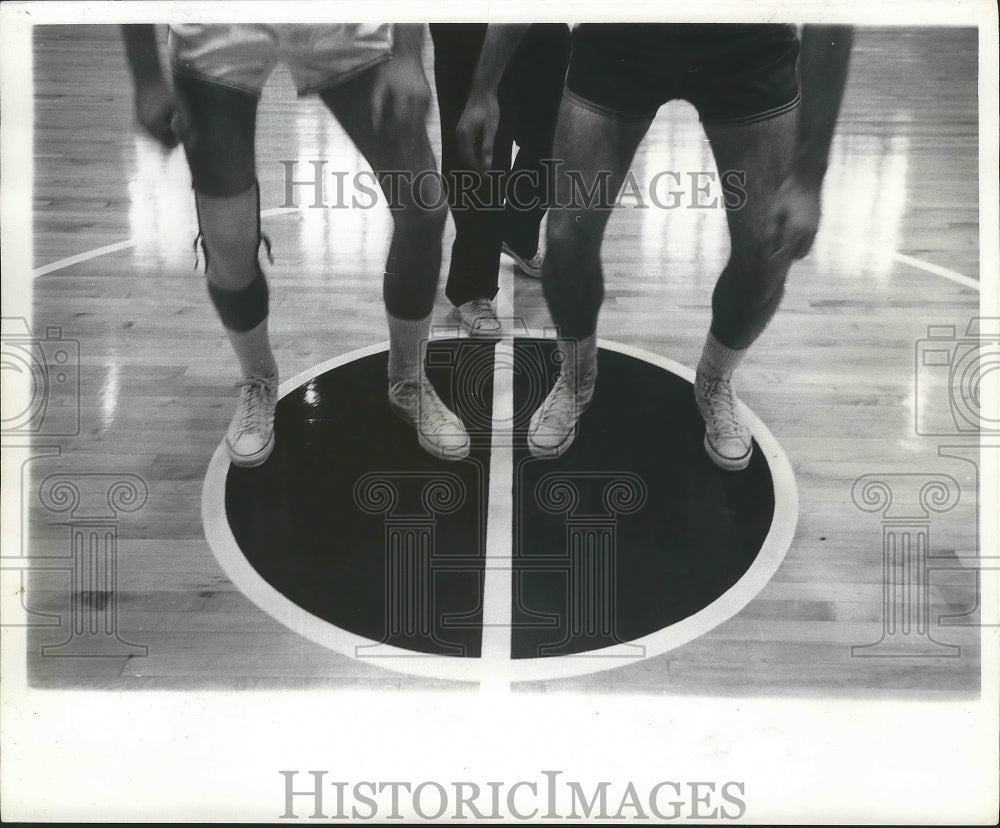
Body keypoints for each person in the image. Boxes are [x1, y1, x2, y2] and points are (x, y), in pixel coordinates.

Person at [458, 23, 853, 469]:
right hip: (621, 37)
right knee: (567, 239)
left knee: (767, 250)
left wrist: (808, 176)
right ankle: (575, 375)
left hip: (747, 44)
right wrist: (483, 87)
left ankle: (715, 377)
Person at [121, 23, 470, 466]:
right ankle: (259, 378)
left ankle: (407, 379)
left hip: (342, 23)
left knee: (423, 209)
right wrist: (146, 73)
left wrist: (406, 52)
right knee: (227, 240)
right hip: (220, 28)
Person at [429, 23, 571, 336]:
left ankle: (518, 233)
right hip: (470, 24)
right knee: (480, 151)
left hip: (539, 19)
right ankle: (472, 286)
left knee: (556, 131)